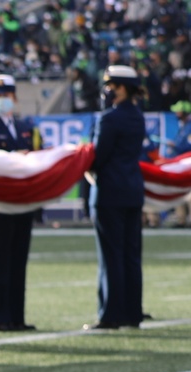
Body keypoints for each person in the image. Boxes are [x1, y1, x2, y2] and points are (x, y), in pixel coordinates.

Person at [0, 74, 42, 332]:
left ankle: (17, 316)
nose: (3, 100)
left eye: (7, 95)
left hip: (23, 205)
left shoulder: (26, 126)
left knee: (18, 261)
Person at [85, 66, 145, 330]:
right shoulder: (137, 116)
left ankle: (110, 314)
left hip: (109, 192)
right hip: (132, 191)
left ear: (121, 88)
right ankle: (132, 312)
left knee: (111, 256)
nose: (107, 91)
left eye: (111, 86)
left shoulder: (109, 118)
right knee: (131, 255)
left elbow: (99, 156)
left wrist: (86, 164)